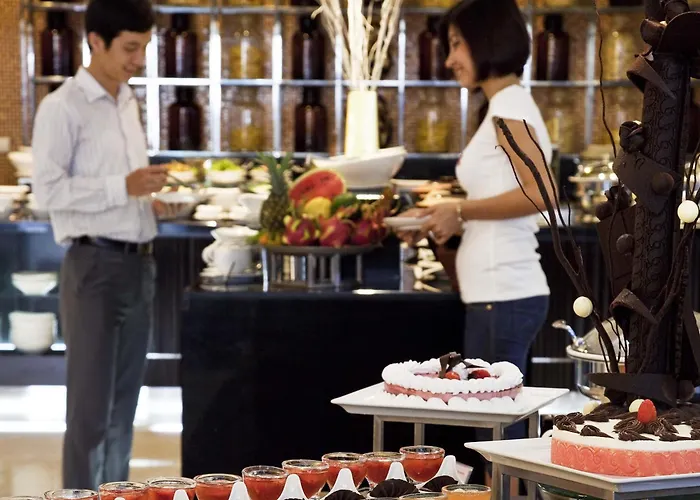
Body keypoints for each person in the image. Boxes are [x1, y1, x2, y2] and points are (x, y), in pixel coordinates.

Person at [32, 0, 175, 490]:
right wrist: (124, 187)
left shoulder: (127, 101)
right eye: (130, 48)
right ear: (96, 41)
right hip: (93, 267)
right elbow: (48, 193)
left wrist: (148, 201)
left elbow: (123, 188)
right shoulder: (62, 107)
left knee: (123, 412)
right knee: (90, 415)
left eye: (144, 47)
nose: (138, 59)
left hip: (139, 266)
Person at [400, 0, 553, 431]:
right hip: (496, 294)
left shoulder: (509, 107)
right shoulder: (503, 106)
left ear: (487, 41)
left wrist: (459, 209)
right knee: (493, 429)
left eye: (456, 44)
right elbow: (503, 195)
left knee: (498, 433)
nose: (449, 60)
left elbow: (541, 192)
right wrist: (436, 216)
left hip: (503, 293)